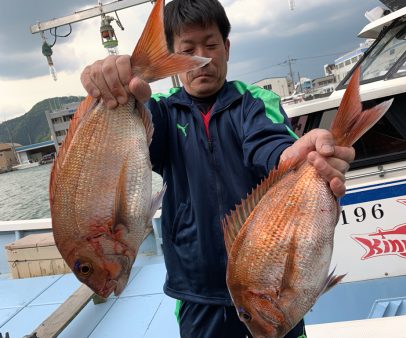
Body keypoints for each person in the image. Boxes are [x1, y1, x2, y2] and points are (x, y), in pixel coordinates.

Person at [81, 0, 355, 337]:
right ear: (171, 57)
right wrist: (112, 87)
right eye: (188, 49)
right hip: (196, 294)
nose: (202, 59)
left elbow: (271, 149)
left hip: (269, 286)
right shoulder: (163, 114)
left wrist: (300, 160)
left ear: (226, 47)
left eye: (211, 45)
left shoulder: (253, 103)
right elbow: (136, 141)